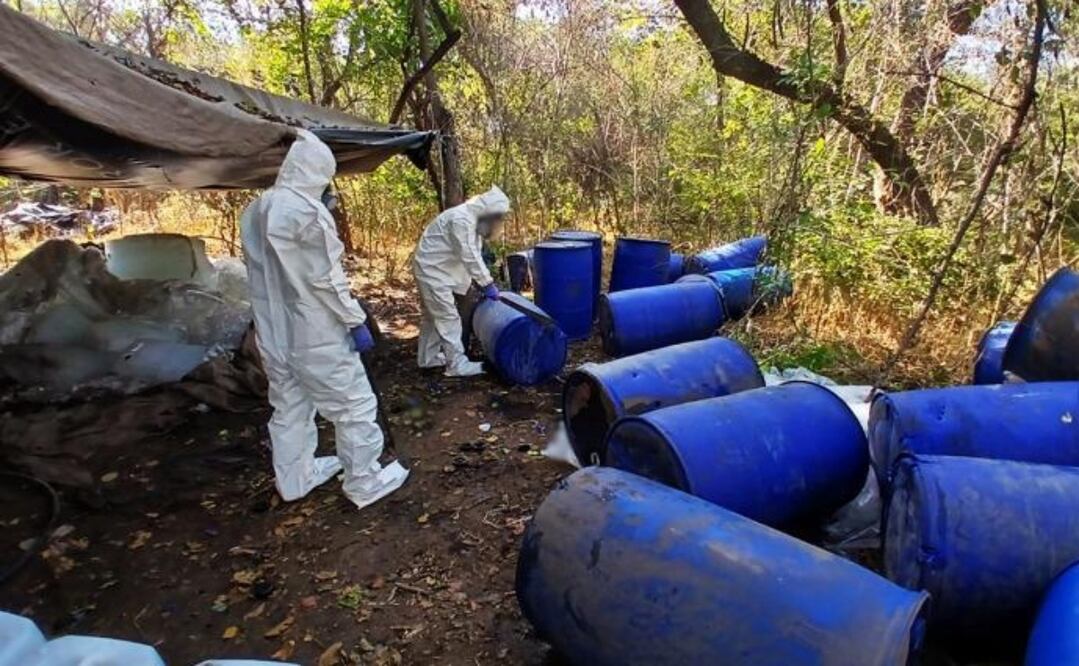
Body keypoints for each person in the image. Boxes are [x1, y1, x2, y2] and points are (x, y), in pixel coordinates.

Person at [239, 129, 408, 509]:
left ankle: (295, 479)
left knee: (290, 406)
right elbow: (326, 280)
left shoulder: (255, 209)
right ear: (316, 171)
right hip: (314, 332)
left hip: (272, 332)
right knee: (354, 406)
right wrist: (353, 320)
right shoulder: (306, 211)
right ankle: (364, 481)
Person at [413, 186, 510, 377]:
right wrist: (486, 283)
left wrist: (480, 280)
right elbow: (469, 254)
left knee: (432, 318)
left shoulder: (470, 219)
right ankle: (457, 365)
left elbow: (471, 253)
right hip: (433, 272)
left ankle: (427, 359)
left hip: (436, 270)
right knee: (448, 318)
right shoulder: (461, 219)